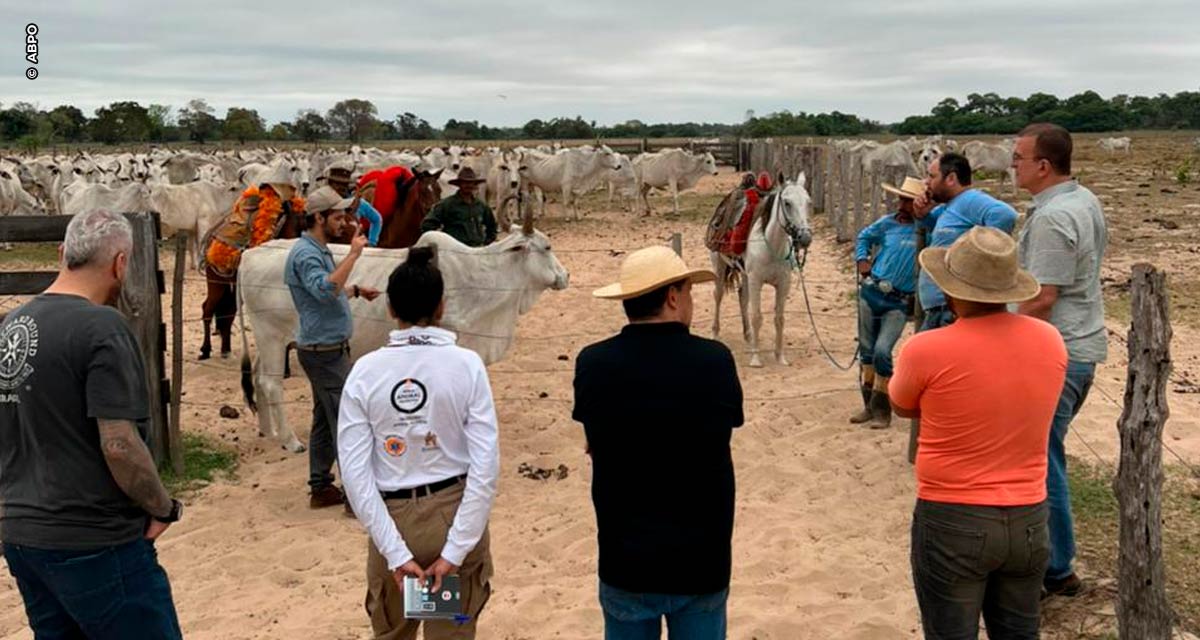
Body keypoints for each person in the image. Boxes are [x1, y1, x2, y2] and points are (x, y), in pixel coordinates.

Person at [0, 208, 184, 639]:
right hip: (93, 539)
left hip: (23, 537)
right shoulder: (102, 327)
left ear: (64, 253)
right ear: (121, 263)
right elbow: (119, 443)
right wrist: (162, 506)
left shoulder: (11, 327)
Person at [890, 226, 1067, 639]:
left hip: (953, 513)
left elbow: (901, 404)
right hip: (1028, 515)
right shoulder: (1051, 341)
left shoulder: (927, 348)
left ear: (951, 290)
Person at [574, 246, 744, 639]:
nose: (691, 302)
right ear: (672, 297)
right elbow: (724, 428)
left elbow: (593, 440)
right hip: (701, 558)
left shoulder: (593, 363)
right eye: (688, 292)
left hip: (624, 557)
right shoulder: (715, 360)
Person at [339, 246, 499, 640]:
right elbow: (485, 468)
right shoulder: (467, 365)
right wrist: (454, 553)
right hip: (452, 510)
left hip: (392, 516)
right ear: (441, 306)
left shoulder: (365, 371)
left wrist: (396, 553)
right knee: (452, 633)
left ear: (391, 308)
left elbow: (355, 475)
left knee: (394, 633)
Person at [1012, 122, 1108, 598]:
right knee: (1048, 455)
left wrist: (993, 327)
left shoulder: (1052, 218)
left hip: (1057, 351)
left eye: (1018, 158)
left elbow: (1042, 296)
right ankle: (1055, 562)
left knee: (1042, 462)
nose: (1012, 166)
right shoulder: (1082, 199)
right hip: (1079, 346)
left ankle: (1056, 568)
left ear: (1043, 166)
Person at [284, 186, 381, 509]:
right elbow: (324, 290)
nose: (344, 223)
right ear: (318, 217)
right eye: (338, 217)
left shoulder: (315, 248)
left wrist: (353, 290)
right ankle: (357, 497)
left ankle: (321, 487)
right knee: (348, 422)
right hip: (323, 351)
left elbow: (326, 289)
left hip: (325, 347)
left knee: (325, 420)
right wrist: (353, 255)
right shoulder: (307, 253)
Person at [913, 152, 1018, 331]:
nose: (927, 182)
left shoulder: (970, 200)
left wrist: (983, 250)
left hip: (951, 310)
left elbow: (1005, 215)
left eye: (931, 176)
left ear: (951, 178)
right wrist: (922, 214)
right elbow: (938, 230)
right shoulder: (951, 205)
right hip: (942, 306)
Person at [849, 176, 921, 429]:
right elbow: (863, 237)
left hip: (899, 300)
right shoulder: (886, 223)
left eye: (909, 201)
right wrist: (862, 259)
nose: (903, 205)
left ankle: (882, 409)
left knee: (882, 350)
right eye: (902, 199)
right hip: (872, 291)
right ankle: (870, 406)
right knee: (867, 349)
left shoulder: (926, 229)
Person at [420, 168, 497, 247]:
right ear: (459, 184)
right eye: (465, 182)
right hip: (455, 251)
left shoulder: (481, 206)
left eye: (471, 183)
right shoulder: (447, 204)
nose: (468, 185)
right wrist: (442, 241)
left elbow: (492, 227)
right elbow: (427, 224)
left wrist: (486, 243)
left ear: (475, 185)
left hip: (477, 250)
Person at [325, 162, 384, 247]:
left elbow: (377, 219)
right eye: (337, 184)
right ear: (330, 184)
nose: (340, 187)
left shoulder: (357, 204)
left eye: (344, 184)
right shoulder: (322, 202)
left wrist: (372, 242)